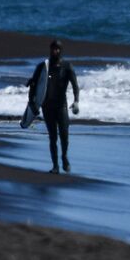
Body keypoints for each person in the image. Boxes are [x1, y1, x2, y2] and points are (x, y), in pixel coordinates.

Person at [28, 39, 80, 173]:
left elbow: (75, 85)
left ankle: (64, 156)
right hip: (47, 106)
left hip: (61, 106)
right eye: (53, 48)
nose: (54, 51)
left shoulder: (67, 66)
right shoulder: (43, 67)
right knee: (52, 137)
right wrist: (32, 103)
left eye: (57, 49)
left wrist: (76, 101)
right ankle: (55, 166)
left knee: (64, 135)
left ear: (60, 51)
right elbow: (33, 85)